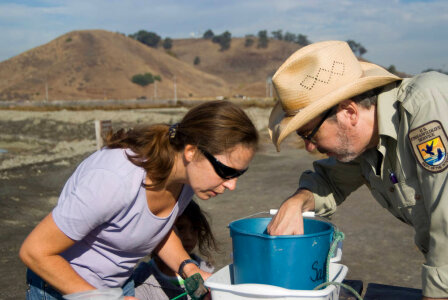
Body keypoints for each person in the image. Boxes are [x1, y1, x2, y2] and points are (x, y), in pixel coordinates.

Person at [20, 100, 258, 299]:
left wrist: (190, 270)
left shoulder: (187, 180)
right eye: (226, 171)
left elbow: (154, 227)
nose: (232, 184)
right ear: (191, 151)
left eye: (238, 174)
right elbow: (35, 252)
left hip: (118, 286)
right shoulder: (114, 179)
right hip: (63, 288)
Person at [266, 40, 448, 300]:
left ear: (349, 113)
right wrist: (297, 202)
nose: (309, 147)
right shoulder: (365, 144)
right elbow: (329, 180)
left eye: (309, 134)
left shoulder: (426, 107)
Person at [133, 200, 217, 300]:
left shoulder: (204, 271)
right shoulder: (141, 279)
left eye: (194, 229)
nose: (189, 237)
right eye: (180, 228)